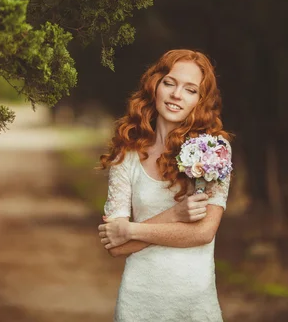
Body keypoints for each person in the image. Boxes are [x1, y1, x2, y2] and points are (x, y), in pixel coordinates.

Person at [97, 49, 232, 322]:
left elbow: (204, 233)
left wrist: (131, 230)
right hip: (138, 302)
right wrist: (176, 214)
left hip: (194, 303)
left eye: (190, 89)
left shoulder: (214, 150)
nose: (176, 95)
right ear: (155, 85)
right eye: (170, 83)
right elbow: (115, 246)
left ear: (200, 100)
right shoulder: (127, 153)